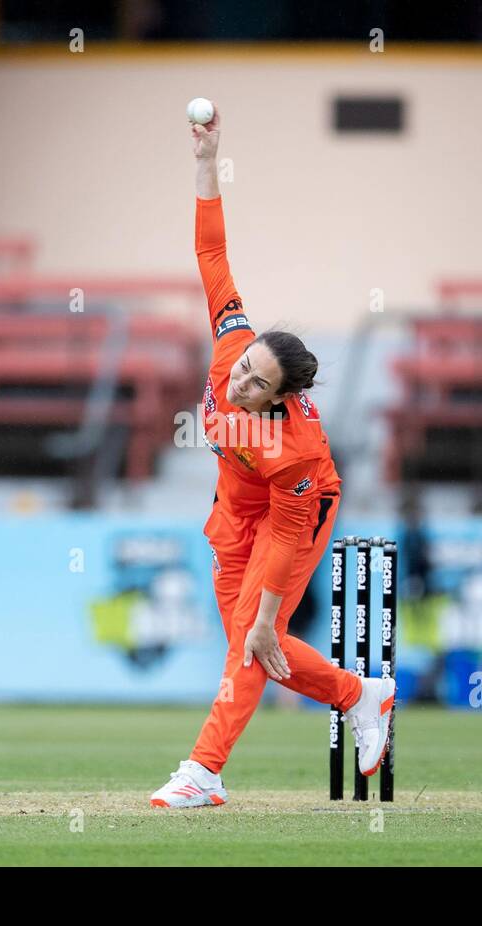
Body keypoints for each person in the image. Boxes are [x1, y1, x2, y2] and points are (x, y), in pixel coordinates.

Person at [149, 103, 394, 809]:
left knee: (256, 641)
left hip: (299, 509)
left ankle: (203, 771)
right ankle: (359, 695)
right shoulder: (233, 343)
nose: (239, 380)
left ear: (279, 398)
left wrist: (270, 613)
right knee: (256, 651)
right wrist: (204, 165)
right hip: (233, 508)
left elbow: (288, 539)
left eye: (256, 383)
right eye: (245, 365)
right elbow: (212, 256)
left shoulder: (294, 448)